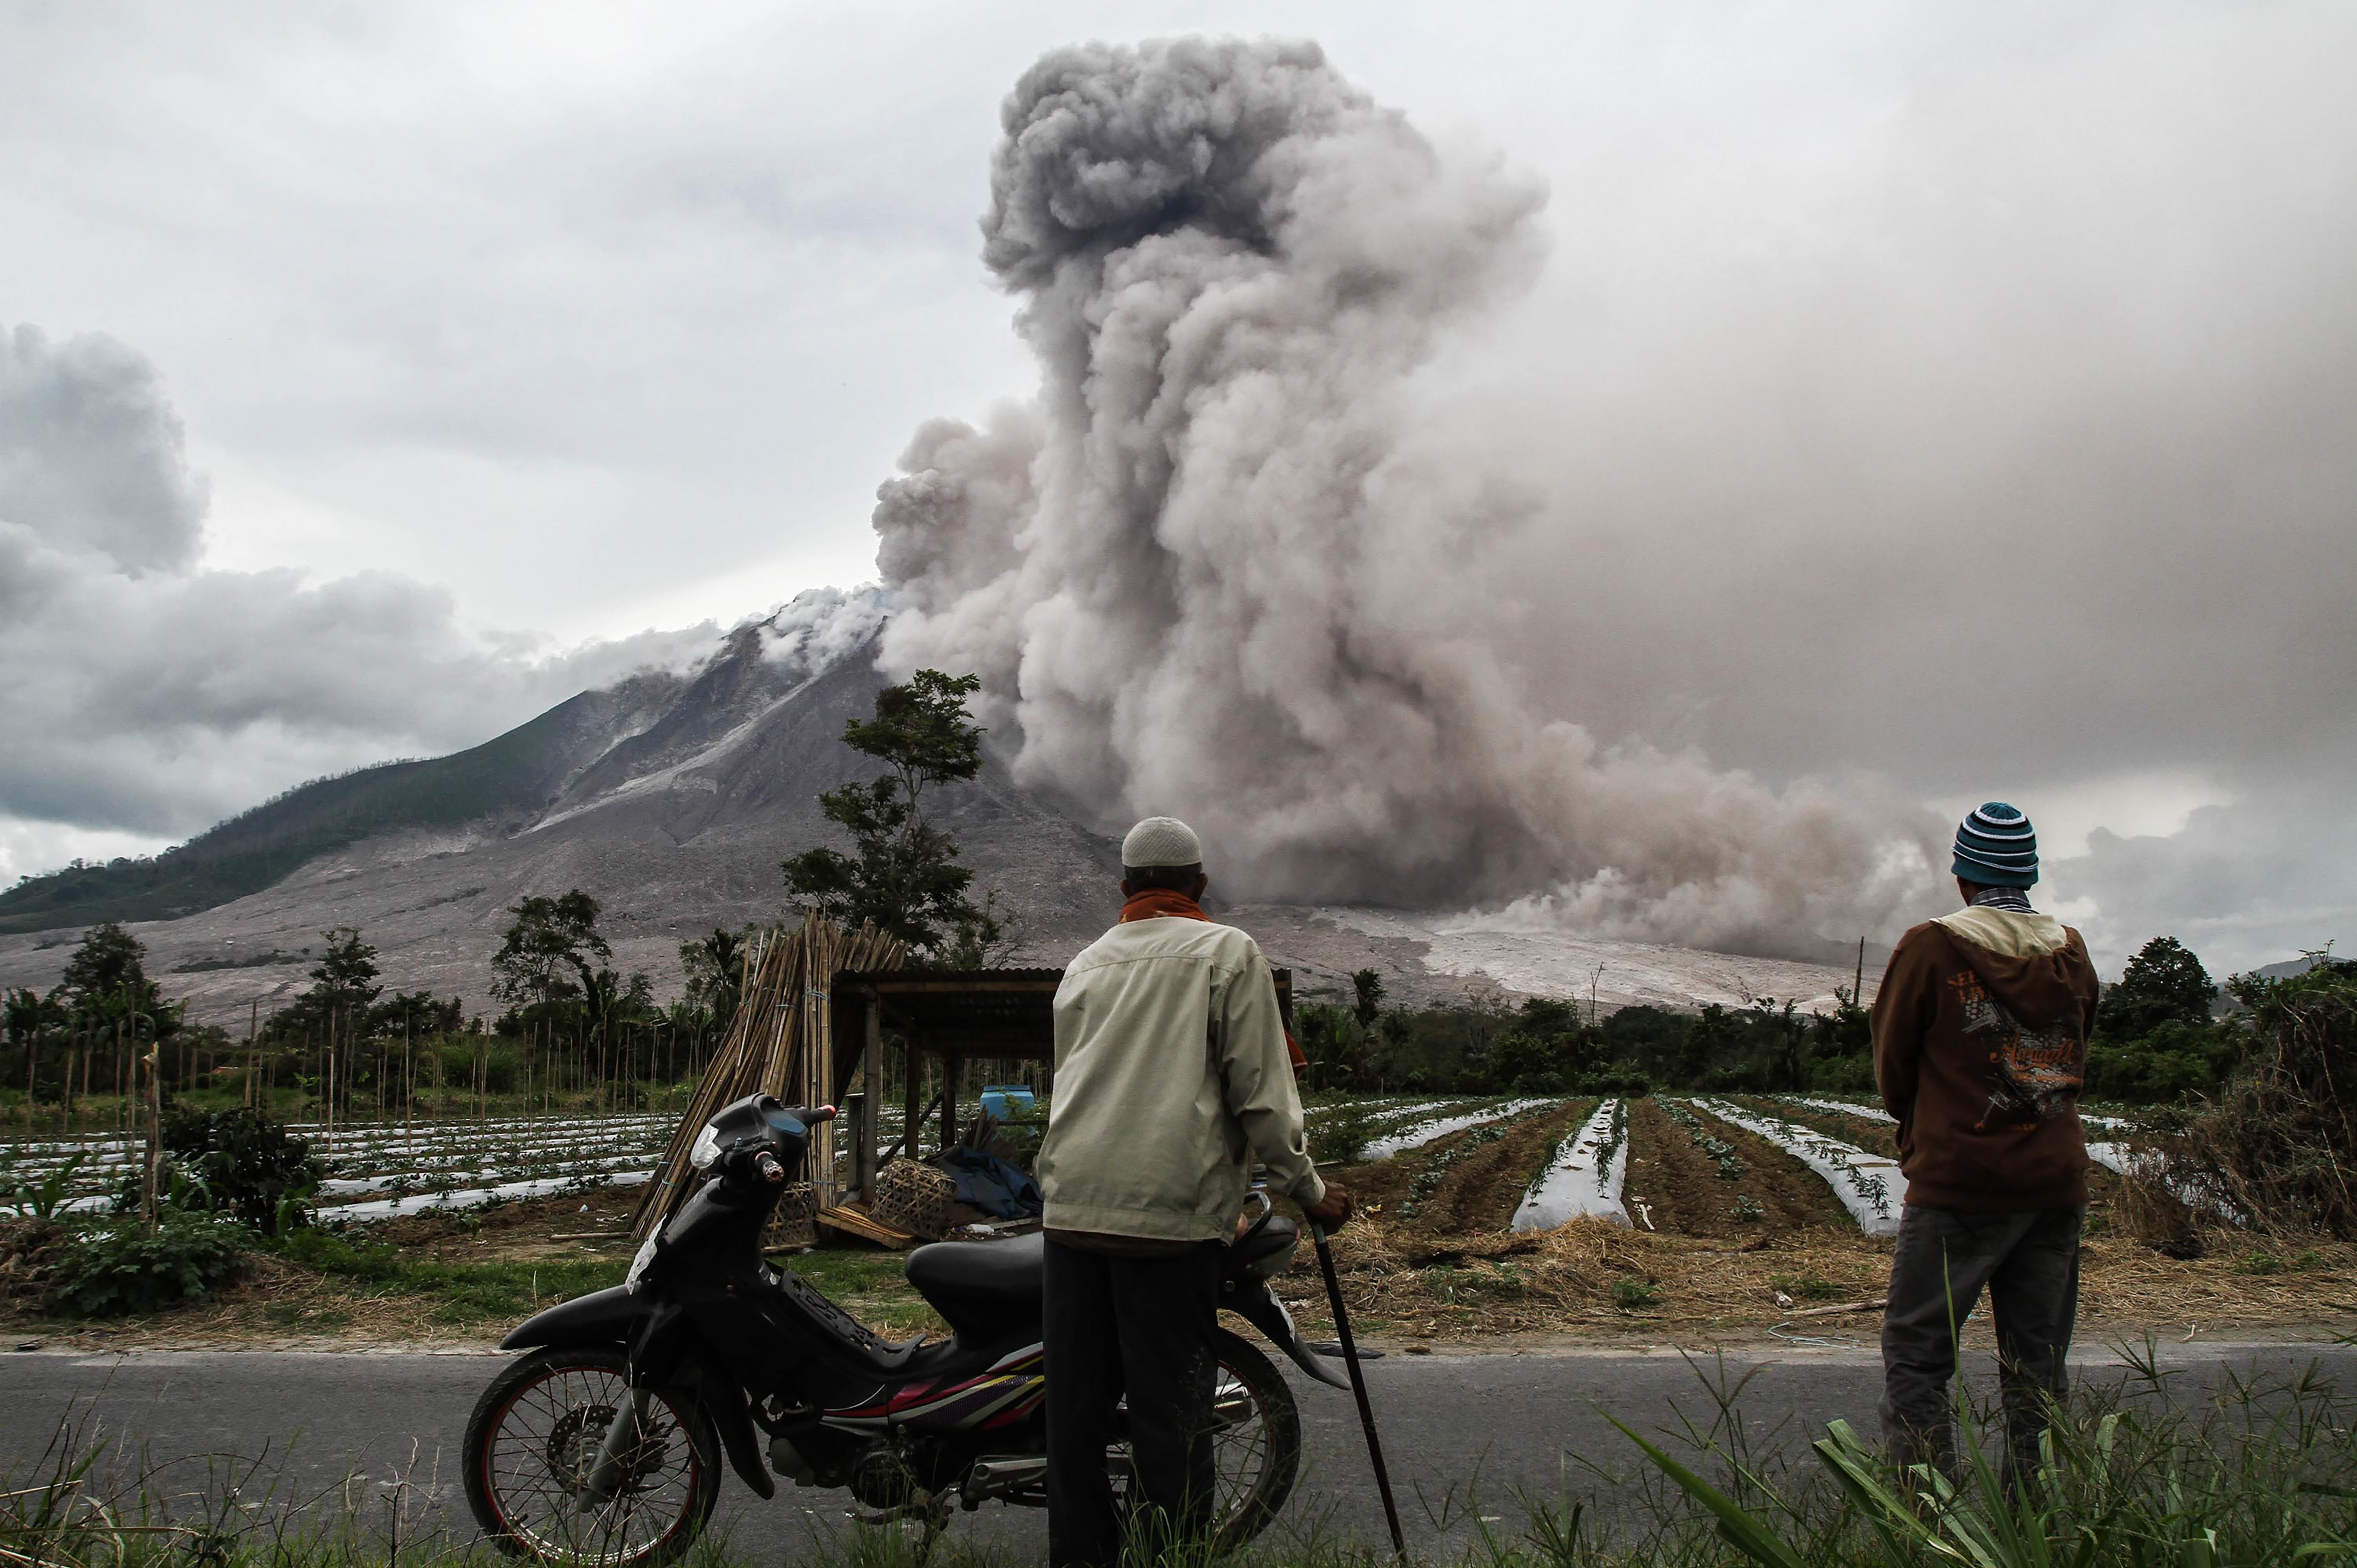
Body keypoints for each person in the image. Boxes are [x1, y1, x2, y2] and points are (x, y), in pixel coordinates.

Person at [1035, 816, 1352, 1568]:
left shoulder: (1085, 965)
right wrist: (1309, 1190)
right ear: (1200, 886)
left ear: (1124, 890)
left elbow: (1065, 1088)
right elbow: (1263, 1098)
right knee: (1170, 1420)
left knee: (1073, 1423)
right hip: (1168, 1220)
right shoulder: (1227, 952)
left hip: (1071, 1213)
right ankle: (1168, 1558)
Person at [1872, 801, 2101, 1485]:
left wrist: (1923, 1131)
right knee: (2037, 1364)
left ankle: (1925, 1517)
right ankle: (2032, 1524)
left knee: (1918, 1353)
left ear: (1963, 876)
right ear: (2027, 874)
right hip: (2054, 1185)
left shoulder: (1933, 947)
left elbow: (1893, 1064)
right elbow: (2077, 1049)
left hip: (1960, 1184)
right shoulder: (2071, 949)